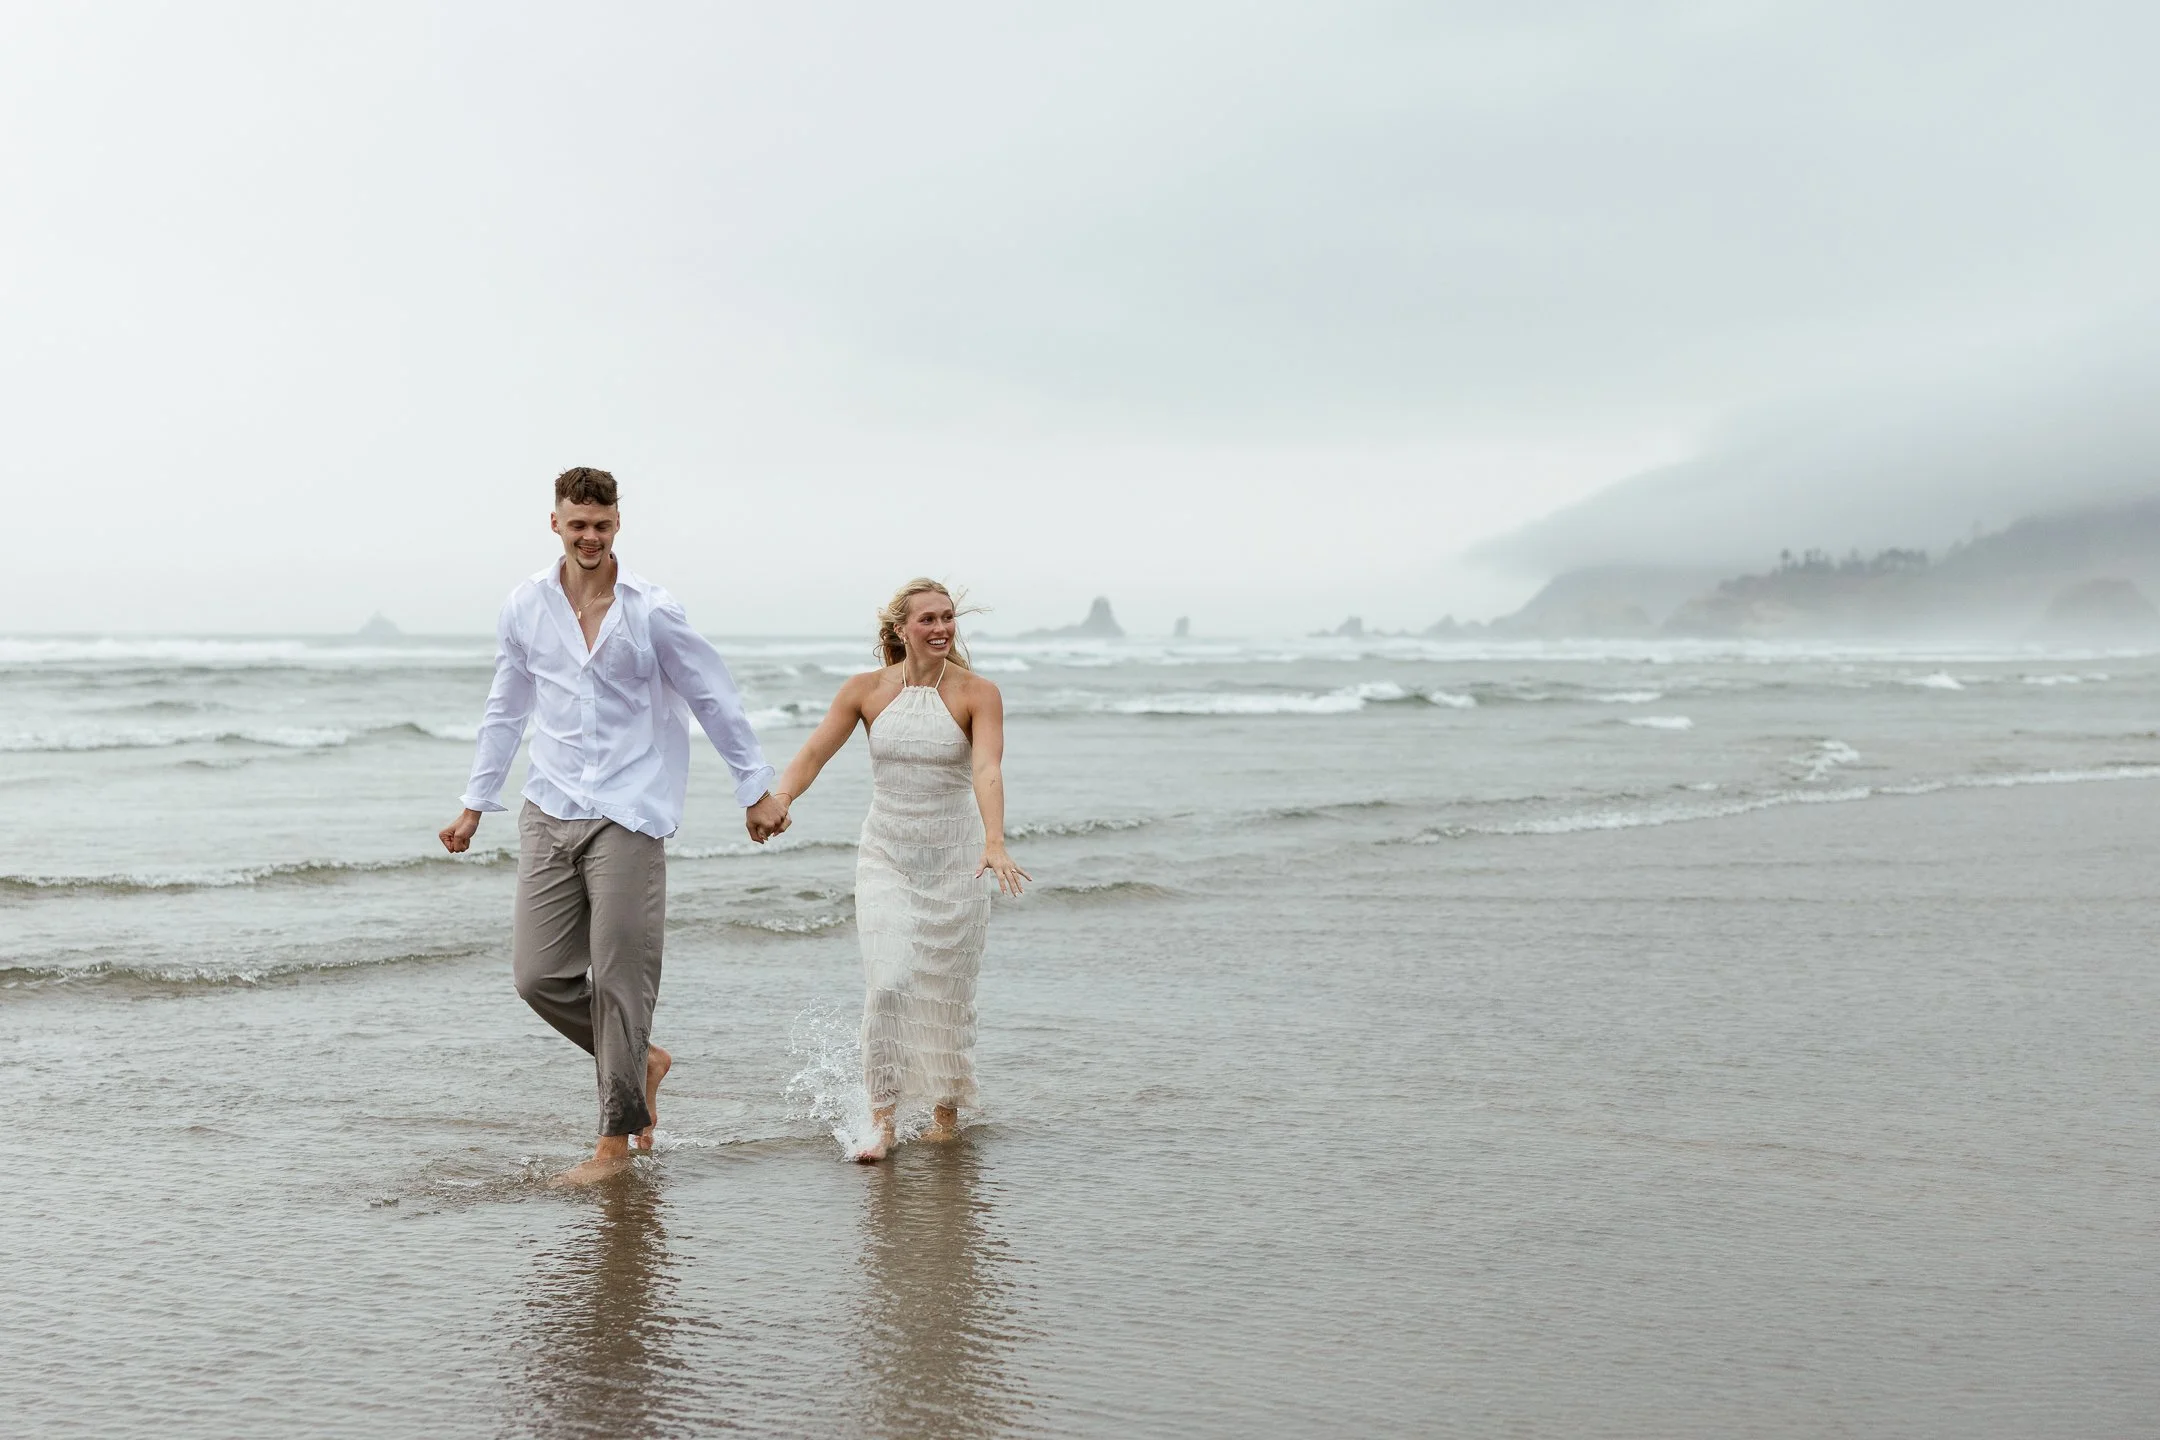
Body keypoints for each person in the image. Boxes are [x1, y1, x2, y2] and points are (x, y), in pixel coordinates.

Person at [439, 466, 791, 1186]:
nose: (589, 537)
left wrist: (754, 789)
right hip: (549, 804)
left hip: (630, 810)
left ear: (617, 524)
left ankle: (613, 1144)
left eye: (601, 525)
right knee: (537, 976)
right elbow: (505, 708)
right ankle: (643, 1062)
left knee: (622, 981)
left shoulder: (652, 611)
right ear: (556, 524)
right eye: (577, 525)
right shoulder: (525, 606)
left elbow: (712, 695)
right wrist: (475, 803)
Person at [774, 579, 1028, 1161]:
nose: (941, 628)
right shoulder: (865, 691)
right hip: (886, 855)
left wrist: (995, 841)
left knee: (946, 992)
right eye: (928, 620)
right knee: (888, 984)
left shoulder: (978, 693)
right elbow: (814, 752)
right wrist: (782, 798)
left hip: (956, 861)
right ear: (899, 630)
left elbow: (987, 768)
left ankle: (943, 1118)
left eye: (948, 618)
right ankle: (881, 1121)